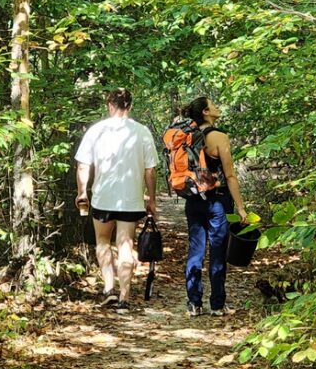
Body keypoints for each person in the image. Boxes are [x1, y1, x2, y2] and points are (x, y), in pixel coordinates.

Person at [73, 88, 159, 310]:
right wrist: (152, 198)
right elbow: (151, 170)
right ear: (130, 106)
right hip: (130, 199)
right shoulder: (142, 132)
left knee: (102, 241)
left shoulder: (96, 130)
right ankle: (124, 297)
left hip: (103, 197)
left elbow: (83, 164)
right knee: (125, 245)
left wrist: (82, 191)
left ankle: (109, 288)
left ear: (109, 105)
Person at [165, 92, 247, 318]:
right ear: (206, 112)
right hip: (217, 200)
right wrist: (240, 207)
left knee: (195, 250)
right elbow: (230, 175)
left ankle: (193, 303)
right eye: (213, 105)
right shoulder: (219, 137)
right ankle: (218, 304)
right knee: (218, 251)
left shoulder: (186, 136)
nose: (217, 107)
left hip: (193, 198)